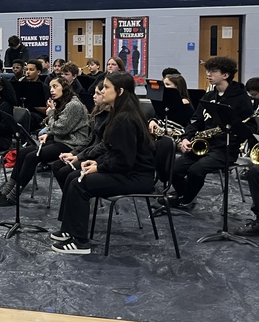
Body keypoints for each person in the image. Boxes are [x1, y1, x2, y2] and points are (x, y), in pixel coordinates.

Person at [51, 72, 155, 254]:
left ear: (120, 91)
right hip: (127, 171)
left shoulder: (125, 119)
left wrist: (99, 167)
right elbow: (111, 149)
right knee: (73, 176)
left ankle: (81, 242)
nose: (102, 91)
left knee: (79, 184)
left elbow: (124, 161)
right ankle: (69, 229)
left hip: (136, 177)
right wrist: (92, 161)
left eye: (107, 88)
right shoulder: (118, 113)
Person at [166, 56, 255, 210]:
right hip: (204, 145)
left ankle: (185, 200)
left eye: (213, 71)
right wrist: (187, 138)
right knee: (175, 168)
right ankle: (184, 195)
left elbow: (250, 127)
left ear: (225, 75)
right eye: (207, 71)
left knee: (196, 170)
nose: (208, 74)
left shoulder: (241, 99)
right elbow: (196, 120)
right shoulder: (209, 96)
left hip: (225, 148)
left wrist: (231, 129)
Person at [0, 76, 89, 206]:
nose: (52, 91)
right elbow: (57, 127)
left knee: (32, 157)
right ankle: (8, 189)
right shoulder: (63, 102)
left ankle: (14, 195)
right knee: (22, 152)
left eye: (55, 87)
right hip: (60, 139)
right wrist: (48, 133)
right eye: (50, 88)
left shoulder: (73, 105)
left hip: (72, 144)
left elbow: (60, 128)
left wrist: (51, 112)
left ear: (64, 88)